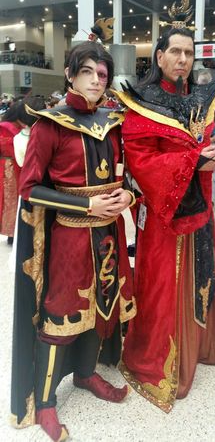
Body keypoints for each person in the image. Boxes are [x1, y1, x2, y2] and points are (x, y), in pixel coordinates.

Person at [11, 41, 136, 441]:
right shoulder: (50, 124)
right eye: (87, 72)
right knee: (61, 316)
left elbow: (129, 176)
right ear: (69, 73)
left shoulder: (113, 122)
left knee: (104, 308)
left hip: (110, 235)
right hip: (69, 237)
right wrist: (87, 205)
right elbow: (30, 188)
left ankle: (85, 375)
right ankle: (45, 403)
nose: (96, 81)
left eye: (102, 74)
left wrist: (127, 196)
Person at [115, 0, 215, 413]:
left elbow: (204, 145)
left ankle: (200, 346)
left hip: (197, 208)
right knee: (164, 285)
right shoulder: (141, 102)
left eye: (189, 53)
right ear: (159, 55)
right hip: (163, 216)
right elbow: (141, 161)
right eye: (175, 52)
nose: (183, 59)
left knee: (202, 275)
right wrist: (192, 161)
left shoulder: (198, 99)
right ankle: (163, 361)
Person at [0, 99, 24, 243]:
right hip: (9, 167)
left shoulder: (17, 127)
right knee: (10, 200)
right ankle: (11, 232)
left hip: (13, 165)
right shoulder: (5, 127)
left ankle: (13, 232)